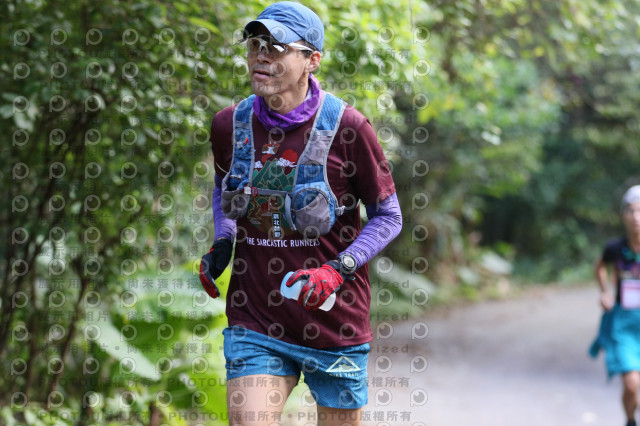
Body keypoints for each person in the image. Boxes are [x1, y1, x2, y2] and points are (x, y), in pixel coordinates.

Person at [198, 2, 402, 425]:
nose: (261, 56)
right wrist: (223, 241)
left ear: (312, 60)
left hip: (334, 324)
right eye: (255, 45)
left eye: (276, 47)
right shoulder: (228, 126)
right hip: (256, 319)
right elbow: (225, 189)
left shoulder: (349, 128)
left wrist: (338, 268)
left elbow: (388, 215)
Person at [592, 185, 640, 426]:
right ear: (623, 215)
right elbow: (599, 266)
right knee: (631, 385)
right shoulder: (615, 248)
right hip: (625, 324)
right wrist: (605, 293)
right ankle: (630, 420)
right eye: (632, 211)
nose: (637, 217)